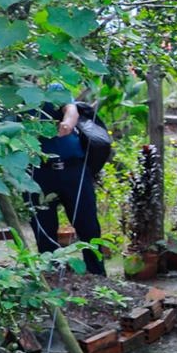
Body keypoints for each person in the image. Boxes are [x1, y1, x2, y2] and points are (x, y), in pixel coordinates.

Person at [27, 98, 105, 274]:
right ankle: (52, 274)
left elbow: (71, 108)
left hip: (73, 169)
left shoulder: (54, 85)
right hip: (39, 172)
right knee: (43, 227)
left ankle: (98, 276)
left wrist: (68, 123)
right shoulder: (14, 95)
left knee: (88, 225)